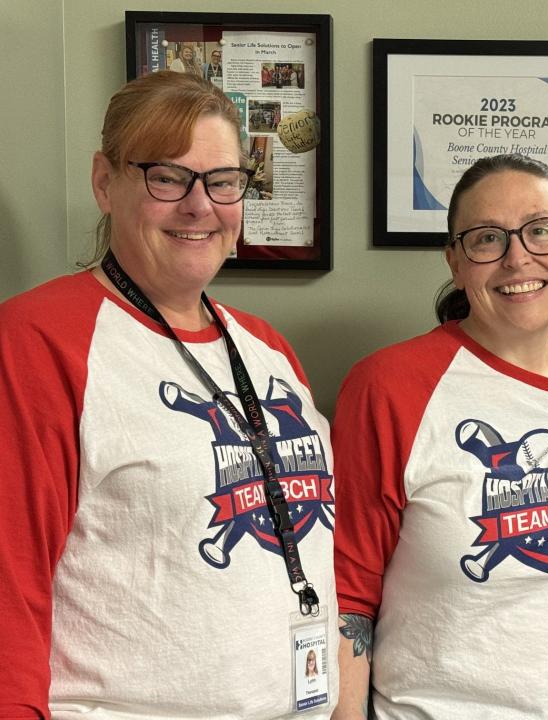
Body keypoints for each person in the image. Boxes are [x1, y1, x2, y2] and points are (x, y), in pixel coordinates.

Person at [0, 71, 339, 718]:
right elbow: (6, 589)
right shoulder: (37, 341)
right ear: (105, 181)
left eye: (222, 181)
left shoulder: (266, 349)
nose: (199, 205)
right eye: (167, 177)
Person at [331, 153, 548, 719]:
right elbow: (347, 593)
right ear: (455, 260)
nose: (518, 257)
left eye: (543, 231)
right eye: (487, 239)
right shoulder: (390, 387)